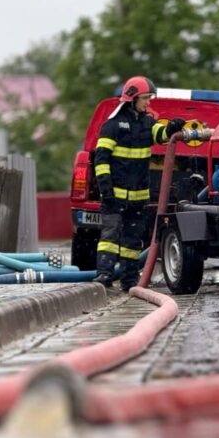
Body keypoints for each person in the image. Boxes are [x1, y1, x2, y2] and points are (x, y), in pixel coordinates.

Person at [93, 75, 185, 290]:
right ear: (132, 98)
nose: (148, 102)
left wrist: (172, 128)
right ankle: (104, 276)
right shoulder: (112, 126)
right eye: (145, 98)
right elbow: (101, 158)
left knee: (132, 244)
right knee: (109, 238)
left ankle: (129, 281)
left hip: (138, 197)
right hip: (114, 196)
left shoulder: (147, 122)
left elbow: (160, 134)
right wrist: (106, 190)